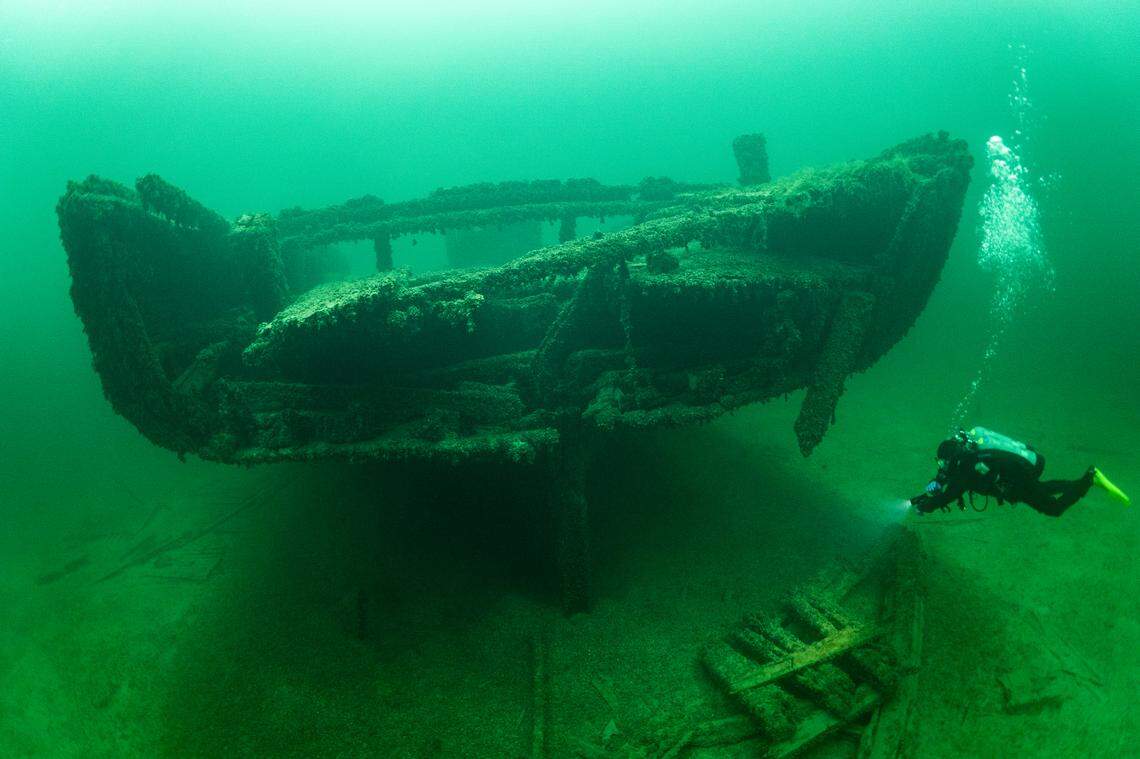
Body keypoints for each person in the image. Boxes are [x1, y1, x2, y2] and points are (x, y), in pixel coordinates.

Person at [908, 426, 1130, 517]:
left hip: (1018, 478)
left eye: (943, 464)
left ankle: (1090, 479)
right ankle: (1087, 479)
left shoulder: (966, 465)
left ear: (952, 458)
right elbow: (948, 481)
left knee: (1054, 509)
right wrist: (934, 484)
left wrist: (926, 506)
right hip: (1021, 472)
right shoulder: (965, 456)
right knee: (1042, 488)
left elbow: (951, 493)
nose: (942, 469)